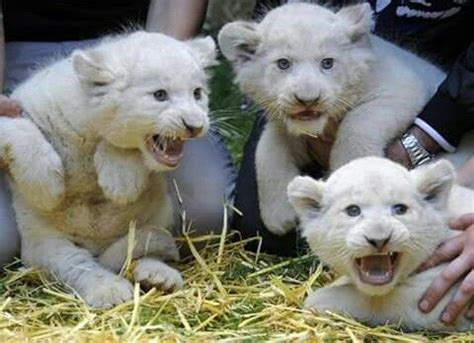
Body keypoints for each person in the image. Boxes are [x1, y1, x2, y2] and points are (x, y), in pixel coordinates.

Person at [232, 0, 474, 325]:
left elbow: (405, 91)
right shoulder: (303, 36)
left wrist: (412, 151)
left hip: (447, 134)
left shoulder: (373, 66)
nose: (306, 91)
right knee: (261, 230)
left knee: (440, 237)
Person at [0, 0, 236, 264]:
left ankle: (121, 253)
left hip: (139, 50)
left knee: (204, 217)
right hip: (17, 50)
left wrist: (164, 75)